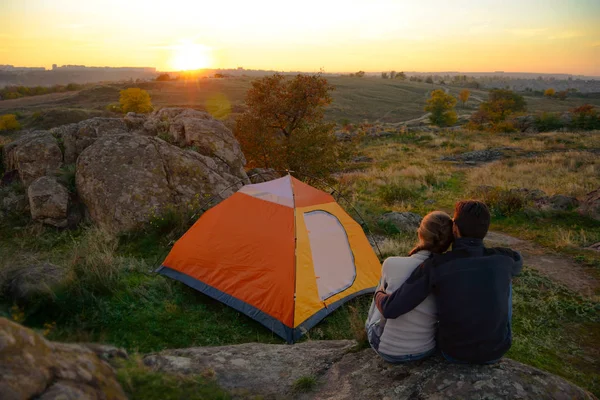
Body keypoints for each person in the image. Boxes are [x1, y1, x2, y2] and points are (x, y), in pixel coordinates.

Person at [375, 200, 523, 364]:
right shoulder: (504, 258)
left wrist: (378, 294)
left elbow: (392, 308)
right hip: (495, 352)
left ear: (455, 229)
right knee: (503, 277)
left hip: (454, 352)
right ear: (485, 230)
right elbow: (518, 261)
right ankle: (491, 336)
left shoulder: (437, 265)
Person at [366, 211, 453, 363]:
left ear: (420, 233)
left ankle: (369, 325)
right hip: (425, 349)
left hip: (388, 350)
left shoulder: (391, 263)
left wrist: (379, 293)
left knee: (381, 288)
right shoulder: (449, 271)